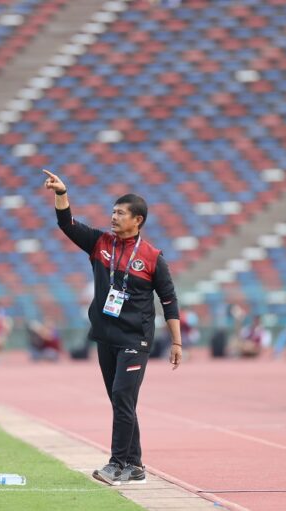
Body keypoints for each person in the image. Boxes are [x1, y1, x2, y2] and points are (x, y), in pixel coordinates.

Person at [43, 168, 182, 486]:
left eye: (120, 213)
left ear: (138, 220)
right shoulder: (99, 243)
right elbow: (67, 224)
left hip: (136, 337)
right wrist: (62, 194)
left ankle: (117, 462)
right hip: (106, 335)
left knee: (121, 395)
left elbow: (170, 301)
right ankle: (135, 465)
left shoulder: (152, 258)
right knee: (121, 400)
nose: (114, 217)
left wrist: (176, 343)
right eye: (113, 212)